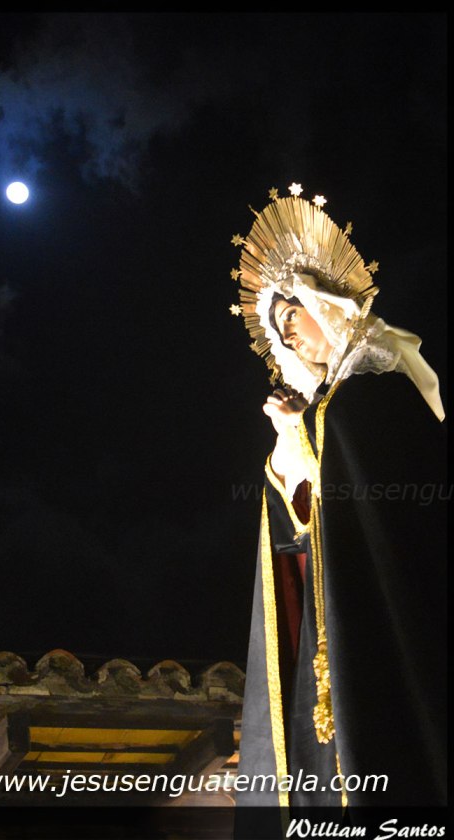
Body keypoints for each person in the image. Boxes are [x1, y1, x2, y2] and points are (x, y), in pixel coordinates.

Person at [230, 187, 447, 822]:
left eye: (294, 317)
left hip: (388, 604)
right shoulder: (327, 411)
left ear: (328, 305)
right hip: (337, 611)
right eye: (280, 333)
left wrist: (306, 428)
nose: (289, 338)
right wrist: (289, 437)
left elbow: (381, 500)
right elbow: (304, 520)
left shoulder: (376, 393)